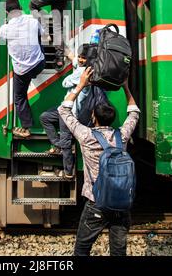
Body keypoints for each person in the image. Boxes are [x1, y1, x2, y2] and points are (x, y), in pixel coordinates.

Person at [58, 67, 139, 256]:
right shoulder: (122, 135)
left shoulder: (86, 136)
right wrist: (126, 87)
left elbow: (64, 110)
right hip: (121, 203)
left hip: (97, 203)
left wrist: (80, 86)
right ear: (111, 119)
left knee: (82, 249)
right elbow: (134, 113)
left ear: (93, 117)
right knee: (118, 252)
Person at [40, 44, 90, 179]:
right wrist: (65, 49)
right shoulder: (82, 66)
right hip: (65, 108)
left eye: (83, 58)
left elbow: (65, 83)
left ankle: (68, 172)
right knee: (45, 117)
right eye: (80, 57)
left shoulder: (83, 73)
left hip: (71, 112)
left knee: (66, 140)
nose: (80, 60)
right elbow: (73, 58)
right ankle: (57, 145)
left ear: (89, 59)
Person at [0, 0, 45, 139]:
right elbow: (43, 35)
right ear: (20, 8)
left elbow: (3, 40)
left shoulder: (4, 29)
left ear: (7, 12)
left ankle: (26, 128)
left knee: (19, 97)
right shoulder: (32, 20)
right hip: (39, 64)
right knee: (37, 36)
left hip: (22, 71)